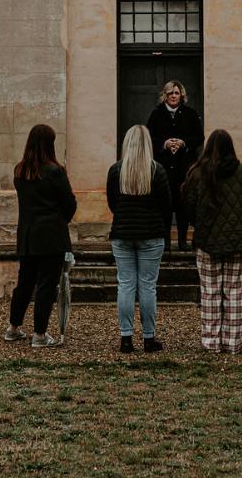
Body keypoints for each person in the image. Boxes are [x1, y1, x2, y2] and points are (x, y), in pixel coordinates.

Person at [182, 129, 242, 354]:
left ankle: (211, 342)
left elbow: (188, 204)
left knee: (210, 292)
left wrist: (200, 226)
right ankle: (232, 342)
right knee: (234, 291)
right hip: (237, 241)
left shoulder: (197, 173)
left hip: (207, 241)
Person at [5, 123, 77, 349]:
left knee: (24, 283)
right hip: (51, 235)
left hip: (27, 234)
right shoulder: (55, 172)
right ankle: (40, 334)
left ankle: (14, 327)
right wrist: (60, 219)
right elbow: (69, 203)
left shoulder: (20, 171)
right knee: (47, 284)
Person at [107, 124, 171, 353]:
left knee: (125, 285)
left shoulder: (116, 170)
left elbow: (113, 203)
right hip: (151, 234)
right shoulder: (157, 171)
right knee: (147, 286)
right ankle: (148, 337)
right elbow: (166, 206)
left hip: (122, 232)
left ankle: (126, 337)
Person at [146, 81, 204, 251]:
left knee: (183, 205)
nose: (173, 96)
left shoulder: (190, 114)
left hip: (183, 168)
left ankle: (182, 240)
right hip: (162, 168)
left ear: (182, 95)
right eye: (170, 93)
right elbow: (150, 137)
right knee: (164, 205)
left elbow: (199, 137)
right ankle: (164, 242)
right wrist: (164, 144)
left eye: (176, 93)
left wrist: (183, 143)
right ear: (165, 95)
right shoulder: (156, 114)